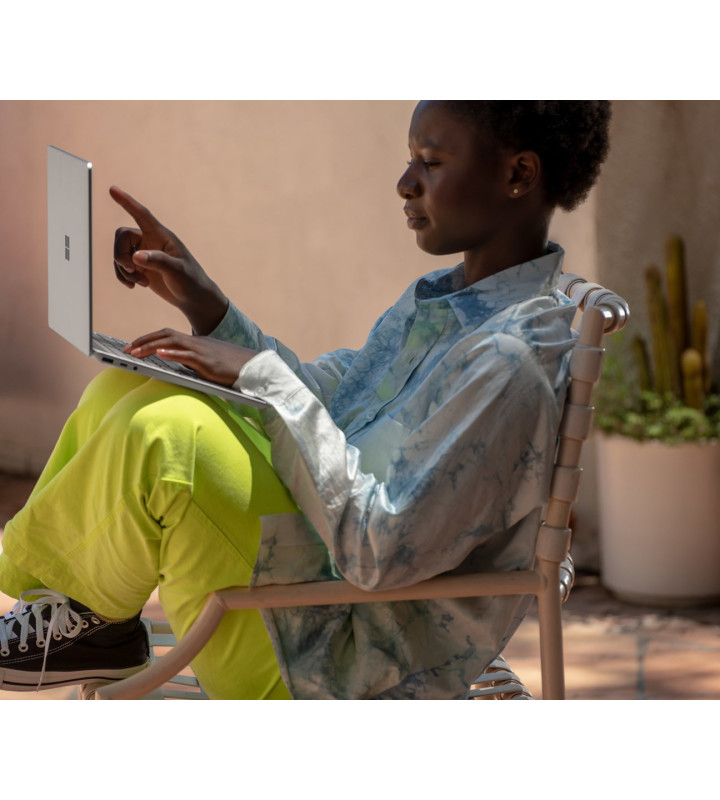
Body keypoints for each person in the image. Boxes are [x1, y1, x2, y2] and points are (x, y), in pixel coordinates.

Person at [0, 101, 611, 699]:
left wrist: (263, 378)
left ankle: (93, 631)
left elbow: (379, 553)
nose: (405, 183)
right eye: (409, 160)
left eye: (430, 162)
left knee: (170, 436)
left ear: (518, 174)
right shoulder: (443, 304)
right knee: (128, 383)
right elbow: (334, 402)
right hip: (310, 584)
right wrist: (205, 304)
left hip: (337, 659)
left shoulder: (510, 363)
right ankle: (89, 624)